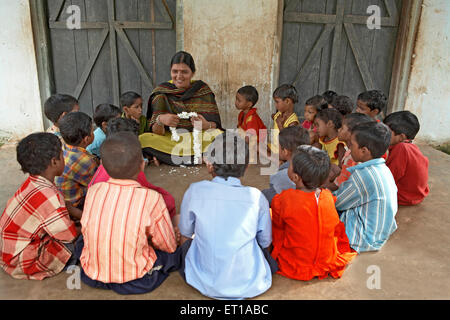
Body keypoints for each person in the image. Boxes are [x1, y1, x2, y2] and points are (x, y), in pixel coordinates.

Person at [76, 132, 180, 295]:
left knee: (82, 241)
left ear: (102, 163)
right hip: (136, 279)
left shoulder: (93, 191)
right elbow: (168, 245)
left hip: (91, 274)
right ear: (142, 165)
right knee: (177, 254)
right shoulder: (151, 198)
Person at [178, 132, 278, 300]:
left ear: (209, 165)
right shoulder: (255, 197)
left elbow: (186, 235)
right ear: (246, 167)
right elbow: (265, 242)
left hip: (202, 280)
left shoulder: (195, 191)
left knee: (184, 237)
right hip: (250, 283)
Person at [271, 145, 357, 280]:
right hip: (326, 261)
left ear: (295, 177)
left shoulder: (283, 199)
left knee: (271, 217)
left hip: (297, 264)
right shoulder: (328, 197)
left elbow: (278, 229)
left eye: (290, 165)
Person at [0, 133, 79, 280]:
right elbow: (70, 235)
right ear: (54, 162)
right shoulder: (50, 197)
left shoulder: (33, 183)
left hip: (10, 251)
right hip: (23, 261)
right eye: (62, 156)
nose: (64, 159)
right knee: (77, 245)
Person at [140, 51, 223, 166]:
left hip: (198, 139)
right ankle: (202, 157)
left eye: (184, 72)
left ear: (192, 73)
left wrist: (206, 125)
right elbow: (155, 132)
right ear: (170, 71)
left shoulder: (202, 90)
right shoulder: (161, 92)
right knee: (144, 139)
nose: (179, 76)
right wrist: (161, 120)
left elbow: (215, 125)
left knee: (219, 135)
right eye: (175, 71)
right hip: (171, 141)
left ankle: (164, 158)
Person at [89, 117, 177, 219]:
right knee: (167, 201)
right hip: (127, 217)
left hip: (101, 218)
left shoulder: (104, 165)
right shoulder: (132, 168)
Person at [333, 121, 398, 253]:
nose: (349, 149)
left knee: (323, 210)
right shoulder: (383, 169)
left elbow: (338, 203)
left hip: (363, 238)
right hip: (379, 234)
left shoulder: (363, 176)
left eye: (352, 145)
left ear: (364, 151)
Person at [383, 111, 429, 205]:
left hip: (405, 197)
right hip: (416, 194)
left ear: (401, 137)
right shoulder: (410, 146)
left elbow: (388, 179)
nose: (382, 134)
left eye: (386, 132)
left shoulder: (401, 148)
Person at [55, 112, 97, 212]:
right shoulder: (85, 161)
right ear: (86, 139)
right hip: (75, 205)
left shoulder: (63, 147)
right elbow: (95, 184)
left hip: (61, 199)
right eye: (92, 131)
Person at [262, 126, 310, 206]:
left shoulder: (284, 175)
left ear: (285, 151)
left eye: (278, 146)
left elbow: (266, 198)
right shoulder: (311, 167)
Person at [333, 113, 374, 188]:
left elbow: (339, 186)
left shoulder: (352, 157)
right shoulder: (349, 151)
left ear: (352, 133)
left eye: (342, 128)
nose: (338, 130)